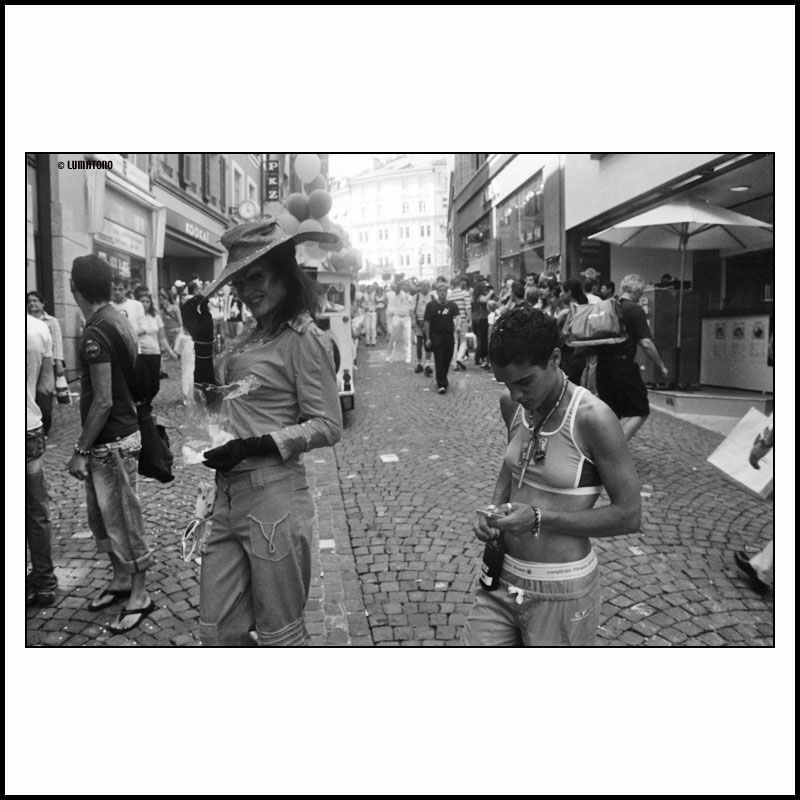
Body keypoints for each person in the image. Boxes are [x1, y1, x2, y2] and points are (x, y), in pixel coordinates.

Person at [180, 216, 343, 647]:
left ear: (284, 273)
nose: (246, 290)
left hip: (275, 498)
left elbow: (329, 424)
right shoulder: (249, 338)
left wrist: (256, 444)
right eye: (239, 282)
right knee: (219, 632)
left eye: (257, 277)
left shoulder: (304, 339)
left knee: (279, 637)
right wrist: (202, 343)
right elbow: (214, 405)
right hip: (227, 495)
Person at [461, 306, 642, 646]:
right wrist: (493, 508)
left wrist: (539, 518)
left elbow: (629, 515)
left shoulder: (593, 418)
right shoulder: (513, 404)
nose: (516, 394)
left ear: (555, 359)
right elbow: (513, 464)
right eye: (506, 383)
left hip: (562, 588)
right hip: (502, 576)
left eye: (524, 381)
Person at [68, 255, 155, 634]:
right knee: (104, 519)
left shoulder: (95, 332)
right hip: (117, 437)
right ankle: (121, 579)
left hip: (112, 442)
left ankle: (140, 595)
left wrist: (80, 450)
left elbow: (103, 400)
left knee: (123, 519)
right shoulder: (117, 318)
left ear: (75, 288)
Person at [595, 274, 669, 440]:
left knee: (611, 412)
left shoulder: (608, 306)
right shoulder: (635, 310)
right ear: (635, 290)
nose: (641, 296)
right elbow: (646, 343)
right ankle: (616, 446)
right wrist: (661, 365)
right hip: (623, 367)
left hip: (603, 366)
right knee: (640, 410)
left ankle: (602, 446)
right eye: (641, 292)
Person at [26, 314, 58, 606]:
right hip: (29, 427)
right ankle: (44, 582)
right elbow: (46, 387)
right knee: (36, 509)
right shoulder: (38, 329)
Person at [26, 290, 66, 435]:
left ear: (42, 304)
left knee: (45, 396)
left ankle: (43, 427)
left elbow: (57, 342)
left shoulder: (51, 321)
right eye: (29, 301)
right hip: (32, 364)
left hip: (48, 363)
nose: (32, 303)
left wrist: (59, 362)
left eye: (35, 301)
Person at [132, 287, 176, 407]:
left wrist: (170, 350)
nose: (145, 304)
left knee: (155, 386)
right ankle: (144, 409)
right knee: (144, 384)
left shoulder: (155, 317)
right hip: (141, 354)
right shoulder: (135, 317)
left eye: (147, 301)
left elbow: (161, 337)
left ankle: (146, 405)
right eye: (142, 301)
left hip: (155, 353)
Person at [423, 280, 461, 395]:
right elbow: (427, 322)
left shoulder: (452, 305)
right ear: (437, 292)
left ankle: (443, 377)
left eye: (444, 291)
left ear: (447, 292)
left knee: (447, 359)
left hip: (449, 336)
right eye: (440, 291)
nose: (442, 293)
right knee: (439, 358)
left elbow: (458, 316)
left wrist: (458, 326)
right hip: (436, 336)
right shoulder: (431, 306)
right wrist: (428, 338)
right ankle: (442, 383)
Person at [556, 278, 589, 386]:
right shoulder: (584, 308)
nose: (560, 294)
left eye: (562, 291)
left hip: (571, 356)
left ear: (569, 292)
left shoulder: (570, 312)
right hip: (582, 356)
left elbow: (563, 336)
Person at [448, 276, 472, 370]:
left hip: (452, 320)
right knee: (463, 341)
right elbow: (468, 307)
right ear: (459, 284)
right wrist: (470, 319)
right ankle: (459, 358)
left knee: (454, 342)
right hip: (462, 319)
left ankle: (454, 363)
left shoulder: (449, 296)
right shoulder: (464, 294)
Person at [385, 282, 413, 363]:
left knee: (407, 338)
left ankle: (408, 356)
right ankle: (389, 355)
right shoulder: (399, 293)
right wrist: (402, 281)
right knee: (393, 337)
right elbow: (397, 288)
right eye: (405, 285)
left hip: (407, 318)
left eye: (408, 285)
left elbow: (411, 309)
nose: (406, 287)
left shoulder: (411, 297)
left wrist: (413, 319)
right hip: (397, 317)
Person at [412, 281, 434, 375]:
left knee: (428, 342)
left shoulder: (432, 297)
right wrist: (413, 321)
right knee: (419, 343)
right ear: (420, 287)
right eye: (423, 286)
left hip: (429, 322)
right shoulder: (416, 297)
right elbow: (412, 310)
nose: (425, 287)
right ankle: (419, 363)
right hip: (419, 322)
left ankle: (427, 364)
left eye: (426, 286)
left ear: (429, 287)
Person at [472, 280, 494, 367]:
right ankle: (479, 357)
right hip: (481, 319)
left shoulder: (482, 295)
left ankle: (482, 358)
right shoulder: (479, 296)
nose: (486, 289)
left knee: (483, 340)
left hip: (483, 319)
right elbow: (484, 300)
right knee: (482, 340)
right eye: (484, 287)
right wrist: (491, 292)